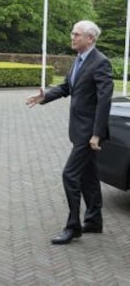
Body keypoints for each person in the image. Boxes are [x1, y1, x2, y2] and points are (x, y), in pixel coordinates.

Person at [26, 20, 113, 245]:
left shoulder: (101, 63)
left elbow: (104, 102)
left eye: (76, 34)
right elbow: (67, 88)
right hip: (78, 130)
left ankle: (73, 227)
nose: (72, 37)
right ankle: (94, 220)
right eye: (72, 33)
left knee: (70, 175)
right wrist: (45, 97)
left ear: (90, 39)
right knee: (89, 176)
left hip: (89, 133)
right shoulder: (79, 60)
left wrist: (97, 134)